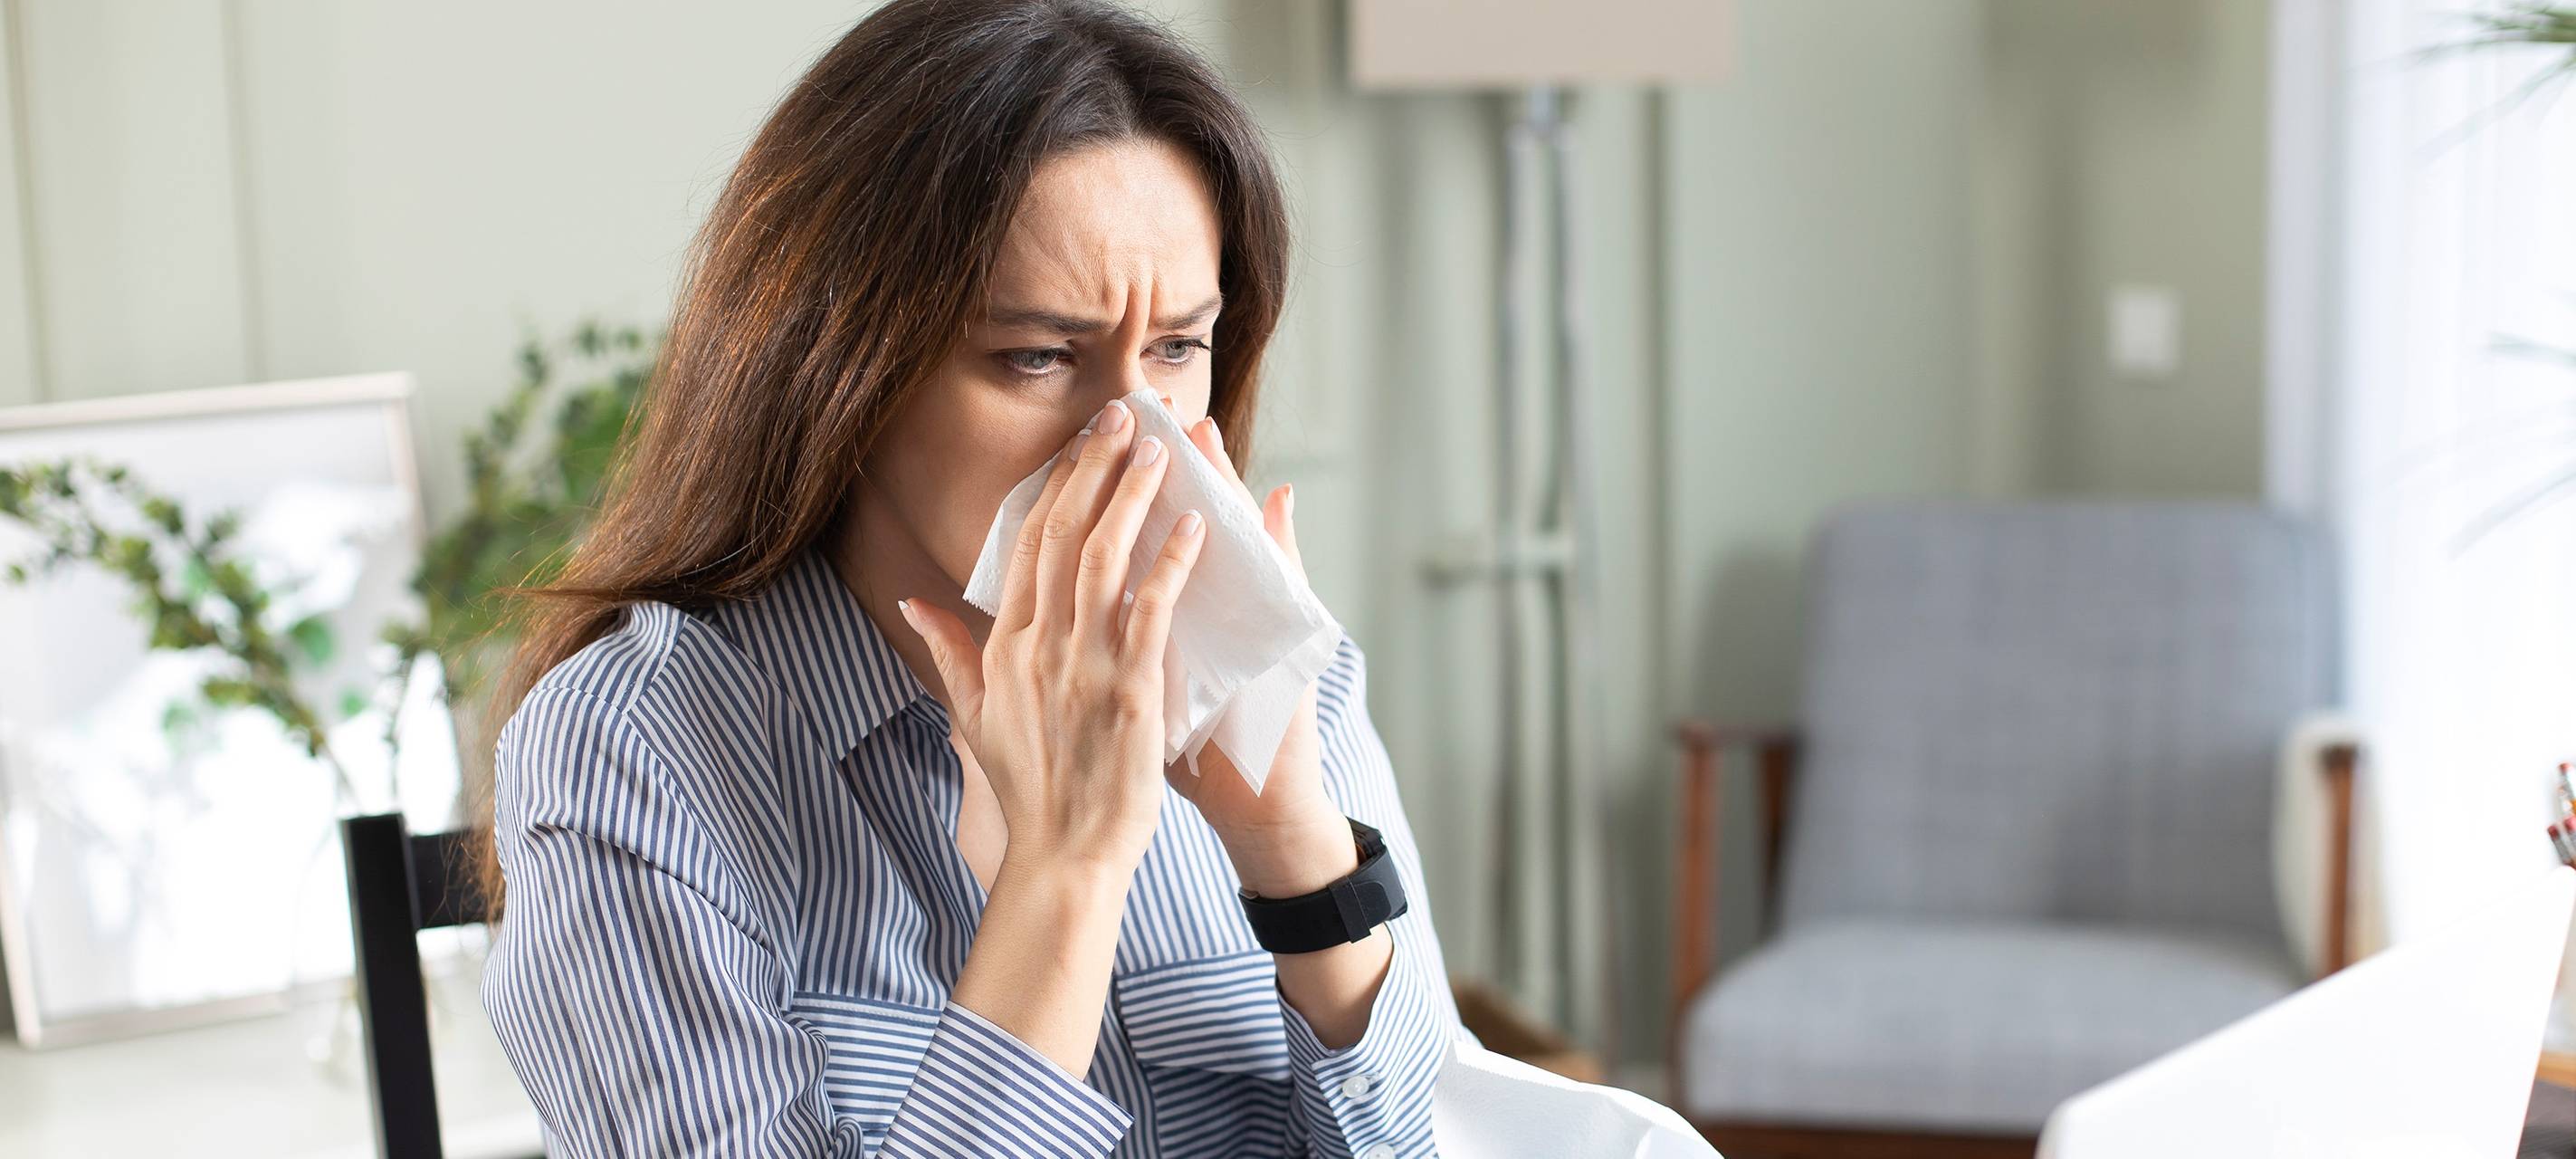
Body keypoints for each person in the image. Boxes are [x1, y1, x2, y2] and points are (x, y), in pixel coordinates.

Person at [466, 1, 1467, 1154]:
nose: (1133, 433)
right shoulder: (633, 751)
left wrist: (1301, 866)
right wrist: (1063, 869)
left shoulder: (1282, 675)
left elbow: (1450, 1129)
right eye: (1035, 356)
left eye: (1176, 347)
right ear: (838, 368)